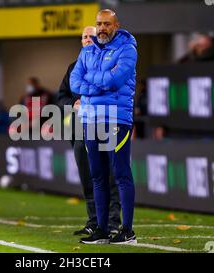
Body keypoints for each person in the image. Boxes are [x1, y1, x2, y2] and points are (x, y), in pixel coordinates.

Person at [70, 9, 138, 244]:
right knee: (97, 176)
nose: (101, 28)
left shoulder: (127, 49)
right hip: (91, 119)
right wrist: (97, 84)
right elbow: (75, 82)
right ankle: (101, 229)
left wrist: (91, 81)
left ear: (116, 25)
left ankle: (127, 230)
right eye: (99, 24)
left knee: (120, 174)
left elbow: (114, 81)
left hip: (116, 118)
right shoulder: (87, 51)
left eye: (106, 24)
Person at [57, 26, 121, 237]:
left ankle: (112, 222)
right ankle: (94, 221)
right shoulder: (73, 67)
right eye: (84, 37)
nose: (87, 39)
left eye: (91, 36)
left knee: (109, 175)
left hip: (105, 126)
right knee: (89, 177)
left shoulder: (112, 64)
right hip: (79, 130)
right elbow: (61, 97)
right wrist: (72, 104)